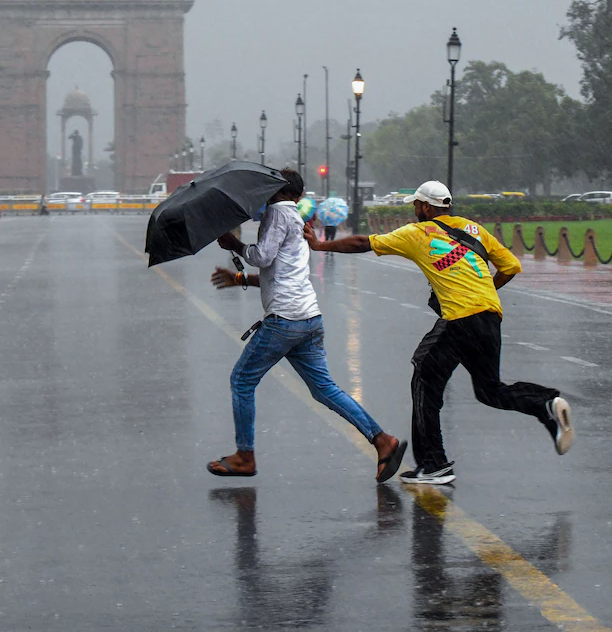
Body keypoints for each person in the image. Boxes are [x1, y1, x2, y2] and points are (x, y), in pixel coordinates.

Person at [303, 180, 574, 485]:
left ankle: (433, 464)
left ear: (427, 207)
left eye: (417, 205)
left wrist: (320, 245)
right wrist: (484, 291)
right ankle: (546, 403)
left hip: (460, 319)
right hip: (490, 317)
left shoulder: (417, 233)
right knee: (490, 391)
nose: (415, 210)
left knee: (424, 377)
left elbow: (362, 243)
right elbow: (510, 266)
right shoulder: (474, 230)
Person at [208, 169, 407, 482]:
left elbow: (262, 257)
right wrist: (239, 278)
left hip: (285, 320)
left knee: (241, 380)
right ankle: (382, 440)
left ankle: (245, 456)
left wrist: (235, 244)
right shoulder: (297, 217)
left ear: (275, 190)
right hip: (309, 318)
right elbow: (282, 272)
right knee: (323, 388)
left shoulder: (275, 214)